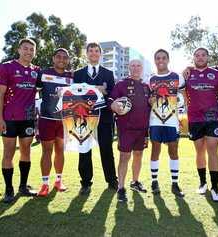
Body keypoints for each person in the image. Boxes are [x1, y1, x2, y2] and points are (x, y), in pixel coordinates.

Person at [0, 38, 39, 203]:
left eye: (32, 50)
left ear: (34, 53)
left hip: (28, 119)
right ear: (19, 50)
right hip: (10, 119)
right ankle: (8, 190)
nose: (29, 52)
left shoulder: (37, 71)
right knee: (8, 153)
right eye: (26, 49)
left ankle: (23, 186)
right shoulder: (7, 67)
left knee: (26, 151)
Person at [74, 42, 117, 194]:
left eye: (96, 51)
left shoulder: (108, 73)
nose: (93, 53)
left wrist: (103, 91)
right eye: (90, 51)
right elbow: (74, 95)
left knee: (106, 150)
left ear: (100, 54)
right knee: (84, 150)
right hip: (84, 118)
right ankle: (85, 182)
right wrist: (92, 90)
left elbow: (113, 95)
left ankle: (112, 180)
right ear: (86, 54)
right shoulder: (78, 73)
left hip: (104, 118)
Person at [184, 48, 218, 202]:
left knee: (212, 151)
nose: (200, 57)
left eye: (203, 55)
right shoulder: (187, 74)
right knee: (200, 152)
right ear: (193, 57)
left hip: (212, 117)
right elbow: (183, 91)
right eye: (197, 55)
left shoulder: (217, 74)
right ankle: (203, 183)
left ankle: (215, 187)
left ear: (208, 57)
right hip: (195, 119)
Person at [109, 59, 151, 202]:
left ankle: (135, 182)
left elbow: (150, 105)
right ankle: (121, 187)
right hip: (126, 129)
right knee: (124, 157)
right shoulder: (121, 84)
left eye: (138, 65)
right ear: (128, 68)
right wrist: (113, 105)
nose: (136, 68)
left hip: (142, 129)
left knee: (138, 155)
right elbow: (110, 100)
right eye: (133, 65)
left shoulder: (146, 86)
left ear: (142, 68)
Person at [146, 49, 185, 197]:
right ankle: (154, 182)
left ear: (168, 59)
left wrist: (181, 110)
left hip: (172, 121)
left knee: (173, 151)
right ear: (155, 60)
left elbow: (183, 96)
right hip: (155, 119)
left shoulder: (178, 77)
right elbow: (148, 100)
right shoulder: (150, 79)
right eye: (158, 58)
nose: (160, 60)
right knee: (155, 150)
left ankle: (175, 184)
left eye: (163, 58)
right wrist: (150, 100)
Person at [36, 48, 73, 197]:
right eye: (59, 57)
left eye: (65, 57)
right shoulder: (43, 74)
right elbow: (32, 89)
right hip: (46, 119)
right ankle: (45, 184)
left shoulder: (71, 76)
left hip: (64, 120)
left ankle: (58, 180)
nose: (62, 59)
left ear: (68, 60)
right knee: (46, 151)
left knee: (60, 151)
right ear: (53, 58)